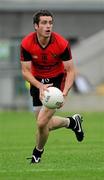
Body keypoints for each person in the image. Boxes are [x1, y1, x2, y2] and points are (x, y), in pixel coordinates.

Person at [20, 9, 84, 164]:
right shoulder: (27, 43)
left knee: (42, 123)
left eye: (50, 22)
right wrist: (38, 86)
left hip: (56, 81)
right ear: (36, 26)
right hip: (37, 82)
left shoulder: (61, 43)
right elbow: (25, 71)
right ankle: (72, 122)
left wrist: (64, 93)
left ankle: (37, 154)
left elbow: (70, 71)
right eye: (44, 23)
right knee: (44, 124)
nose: (48, 26)